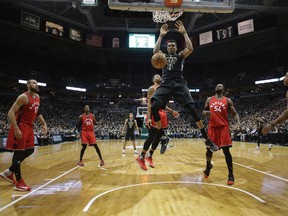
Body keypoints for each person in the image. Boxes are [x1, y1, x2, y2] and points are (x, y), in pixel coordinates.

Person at [151, 20, 218, 152]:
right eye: (169, 46)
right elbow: (155, 51)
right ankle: (163, 136)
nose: (170, 47)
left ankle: (207, 140)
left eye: (172, 46)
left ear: (176, 48)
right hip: (166, 83)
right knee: (154, 107)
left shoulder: (180, 55)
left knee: (192, 110)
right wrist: (161, 36)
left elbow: (191, 48)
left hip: (179, 83)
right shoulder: (162, 56)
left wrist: (185, 33)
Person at [0, 79, 47, 191]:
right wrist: (16, 128)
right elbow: (11, 112)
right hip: (21, 125)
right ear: (28, 85)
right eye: (33, 83)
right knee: (19, 153)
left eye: (37, 83)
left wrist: (44, 123)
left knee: (30, 150)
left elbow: (38, 112)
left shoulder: (37, 97)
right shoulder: (23, 97)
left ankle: (9, 172)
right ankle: (19, 182)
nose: (36, 84)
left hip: (30, 126)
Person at [136, 74, 180, 170]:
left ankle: (149, 155)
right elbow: (149, 103)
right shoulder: (152, 88)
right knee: (151, 136)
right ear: (153, 80)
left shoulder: (163, 90)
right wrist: (149, 117)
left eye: (159, 75)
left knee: (158, 136)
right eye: (156, 75)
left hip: (162, 113)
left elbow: (163, 106)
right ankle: (141, 156)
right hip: (154, 113)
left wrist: (172, 111)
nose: (158, 76)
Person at [202, 84, 240, 185]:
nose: (218, 85)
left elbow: (234, 114)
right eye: (217, 85)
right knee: (209, 150)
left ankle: (231, 174)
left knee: (226, 151)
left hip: (223, 128)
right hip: (212, 128)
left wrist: (237, 124)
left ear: (224, 89)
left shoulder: (227, 100)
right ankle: (208, 167)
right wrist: (208, 113)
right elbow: (203, 112)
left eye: (221, 85)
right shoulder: (209, 99)